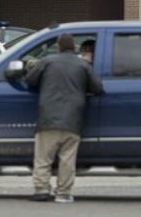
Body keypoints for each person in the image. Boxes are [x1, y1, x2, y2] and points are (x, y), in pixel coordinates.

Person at [25, 34, 102, 203]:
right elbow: (97, 88)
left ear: (59, 47)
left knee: (43, 158)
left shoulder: (47, 62)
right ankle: (64, 193)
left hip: (48, 118)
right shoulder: (84, 65)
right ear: (74, 48)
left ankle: (41, 189)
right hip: (73, 119)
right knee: (67, 159)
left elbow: (30, 80)